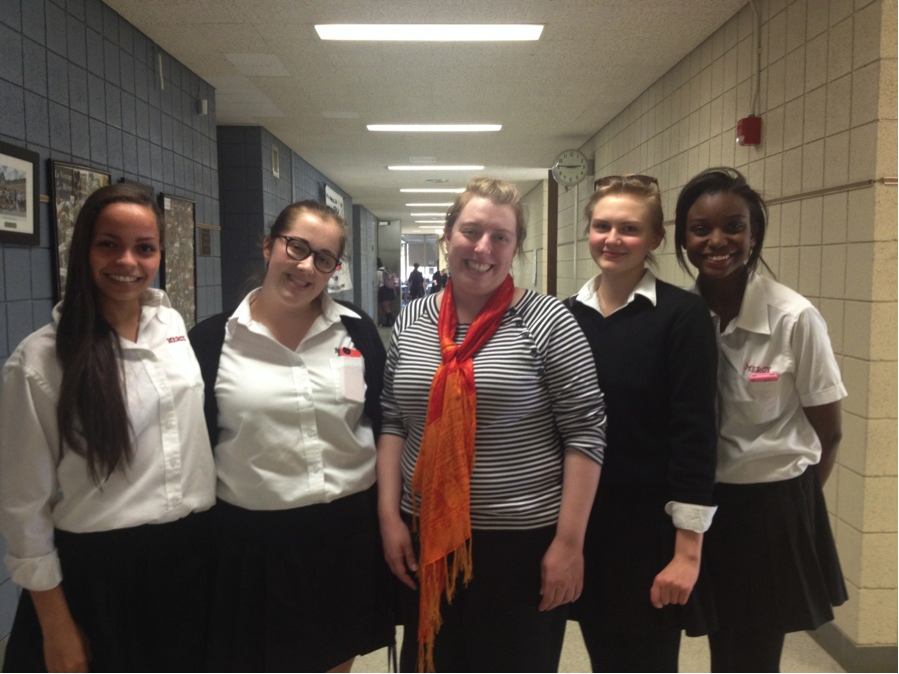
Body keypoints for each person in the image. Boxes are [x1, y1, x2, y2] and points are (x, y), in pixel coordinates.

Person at [377, 176, 606, 673]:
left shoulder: (547, 320)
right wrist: (390, 516)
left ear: (516, 247)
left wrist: (569, 543)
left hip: (519, 544)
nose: (483, 248)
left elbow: (586, 434)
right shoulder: (413, 319)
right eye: (471, 231)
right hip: (427, 538)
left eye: (500, 236)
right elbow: (392, 421)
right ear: (447, 237)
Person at [0, 184, 216, 673]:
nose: (127, 261)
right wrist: (56, 625)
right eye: (108, 244)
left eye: (144, 248)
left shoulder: (172, 325)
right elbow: (23, 505)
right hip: (102, 574)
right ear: (84, 250)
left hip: (191, 562)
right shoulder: (40, 360)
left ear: (160, 253)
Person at [188, 200, 393, 673]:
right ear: (268, 245)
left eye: (323, 258)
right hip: (253, 547)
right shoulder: (213, 341)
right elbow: (195, 446)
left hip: (345, 538)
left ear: (334, 270)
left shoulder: (356, 331)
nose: (306, 267)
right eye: (296, 247)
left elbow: (382, 423)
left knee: (333, 664)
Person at [674, 167, 848, 673]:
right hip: (700, 506)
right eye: (700, 229)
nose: (717, 241)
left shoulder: (793, 318)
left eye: (734, 226)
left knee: (753, 655)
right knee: (718, 641)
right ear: (683, 239)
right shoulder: (681, 316)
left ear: (753, 235)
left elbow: (829, 432)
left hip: (771, 508)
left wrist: (792, 508)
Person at [564, 175, 718, 673]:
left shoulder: (682, 315)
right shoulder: (563, 317)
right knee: (604, 657)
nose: (612, 239)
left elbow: (694, 435)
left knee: (647, 661)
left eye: (629, 228)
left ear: (654, 238)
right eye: (601, 226)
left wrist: (686, 553)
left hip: (648, 529)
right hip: (579, 522)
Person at [378, 257, 397, 326]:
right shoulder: (387, 270)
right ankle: (388, 323)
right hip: (390, 291)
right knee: (387, 308)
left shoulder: (378, 272)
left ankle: (395, 321)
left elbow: (378, 283)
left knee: (385, 308)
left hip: (384, 291)